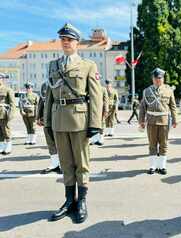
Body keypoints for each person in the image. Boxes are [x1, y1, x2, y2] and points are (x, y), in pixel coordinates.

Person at [44, 23, 103, 223]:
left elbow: (96, 97)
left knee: (82, 163)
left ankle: (82, 201)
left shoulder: (88, 66)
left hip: (80, 120)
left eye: (69, 40)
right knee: (66, 164)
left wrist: (95, 124)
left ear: (77, 43)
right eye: (63, 39)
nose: (66, 43)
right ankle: (69, 200)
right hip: (59, 120)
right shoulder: (53, 65)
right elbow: (50, 95)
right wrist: (46, 121)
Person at [139, 68, 178, 175]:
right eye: (156, 78)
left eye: (160, 78)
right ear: (152, 79)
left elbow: (173, 106)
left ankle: (162, 166)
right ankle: (152, 166)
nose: (158, 80)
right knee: (152, 144)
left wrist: (175, 119)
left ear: (163, 79)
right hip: (151, 121)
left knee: (163, 144)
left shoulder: (168, 90)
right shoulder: (147, 91)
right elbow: (142, 107)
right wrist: (141, 120)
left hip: (164, 121)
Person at [37, 81, 61, 174]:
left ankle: (64, 165)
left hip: (58, 116)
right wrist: (38, 116)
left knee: (61, 143)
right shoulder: (45, 84)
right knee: (50, 142)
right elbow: (41, 101)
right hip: (46, 118)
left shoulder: (61, 82)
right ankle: (54, 164)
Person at [0, 73, 15, 155]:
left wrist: (11, 114)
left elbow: (12, 103)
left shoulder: (8, 89)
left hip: (4, 113)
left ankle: (8, 146)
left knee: (6, 130)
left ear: (3, 79)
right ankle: (1, 146)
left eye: (0, 78)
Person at [90, 81, 109, 146]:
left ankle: (101, 139)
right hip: (91, 109)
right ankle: (94, 139)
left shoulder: (103, 89)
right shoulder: (90, 87)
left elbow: (106, 100)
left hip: (100, 110)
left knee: (101, 124)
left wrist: (106, 110)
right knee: (92, 124)